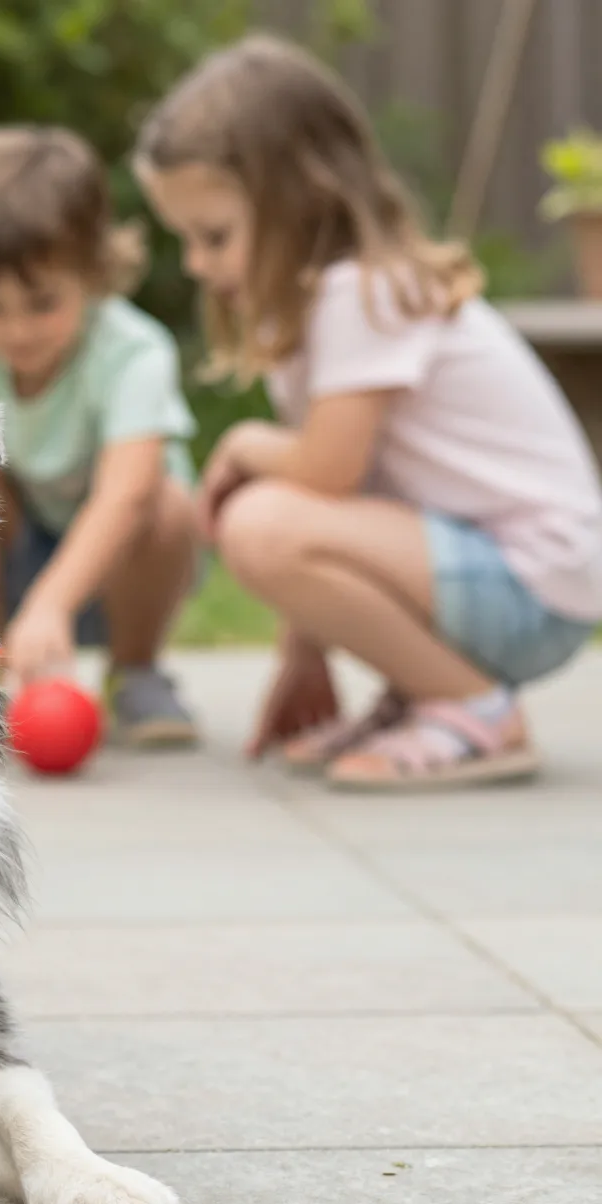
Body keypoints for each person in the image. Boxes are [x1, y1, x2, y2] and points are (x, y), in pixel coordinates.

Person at [134, 33, 602, 789]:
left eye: (213, 235)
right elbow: (341, 499)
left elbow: (324, 470)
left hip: (531, 584)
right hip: (501, 580)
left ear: (298, 199)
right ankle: (431, 693)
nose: (196, 262)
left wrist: (250, 442)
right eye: (185, 238)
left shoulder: (361, 291)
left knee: (256, 514)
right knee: (263, 510)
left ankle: (476, 709)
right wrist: (304, 654)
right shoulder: (320, 310)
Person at [0, 124, 204, 747]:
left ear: (93, 274)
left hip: (127, 564)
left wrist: (52, 605)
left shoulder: (133, 350)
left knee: (168, 501)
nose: (17, 330)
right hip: (12, 557)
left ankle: (136, 669)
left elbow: (126, 496)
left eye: (42, 303)